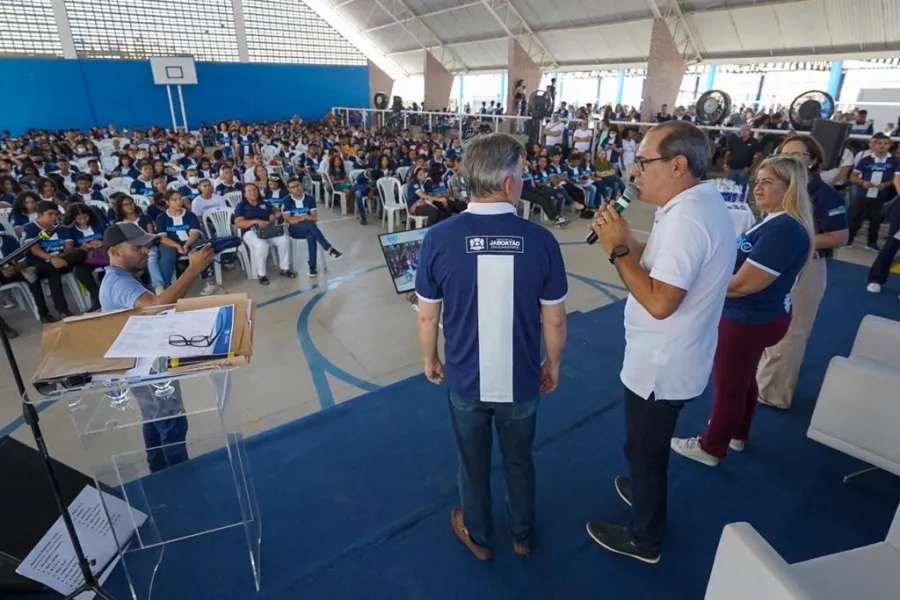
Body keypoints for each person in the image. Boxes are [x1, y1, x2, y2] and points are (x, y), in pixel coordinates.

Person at [584, 121, 735, 563]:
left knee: (645, 448)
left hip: (661, 363)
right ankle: (644, 488)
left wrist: (617, 250)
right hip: (676, 355)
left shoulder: (688, 218)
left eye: (644, 162)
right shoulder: (694, 206)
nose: (635, 173)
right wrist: (626, 237)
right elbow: (670, 259)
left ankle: (644, 539)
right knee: (644, 443)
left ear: (678, 164)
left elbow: (660, 301)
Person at [415, 133, 568, 560]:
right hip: (521, 381)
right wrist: (552, 364)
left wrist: (431, 358)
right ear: (507, 184)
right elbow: (554, 318)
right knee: (520, 460)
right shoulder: (541, 241)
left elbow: (428, 316)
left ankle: (479, 536)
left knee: (472, 462)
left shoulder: (438, 238)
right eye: (522, 174)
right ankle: (522, 534)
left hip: (465, 378)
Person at [671, 156, 815, 466]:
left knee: (728, 385)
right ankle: (738, 432)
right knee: (744, 378)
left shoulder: (785, 230)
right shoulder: (773, 221)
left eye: (768, 182)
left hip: (748, 318)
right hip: (757, 316)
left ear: (790, 189)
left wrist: (696, 286)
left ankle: (711, 447)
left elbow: (744, 285)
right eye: (758, 179)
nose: (758, 186)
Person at [100, 222, 214, 472]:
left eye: (146, 246)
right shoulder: (120, 282)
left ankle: (158, 469)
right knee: (171, 423)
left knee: (153, 419)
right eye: (136, 247)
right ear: (114, 251)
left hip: (140, 363)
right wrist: (192, 270)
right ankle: (178, 475)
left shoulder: (119, 278)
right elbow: (154, 307)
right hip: (148, 368)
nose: (145, 252)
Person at [753, 135, 849, 409]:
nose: (790, 161)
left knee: (792, 331)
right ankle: (761, 379)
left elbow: (840, 236)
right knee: (768, 322)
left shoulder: (824, 195)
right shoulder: (782, 189)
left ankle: (773, 393)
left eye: (797, 156)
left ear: (814, 161)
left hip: (806, 267)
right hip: (775, 265)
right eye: (785, 155)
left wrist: (792, 238)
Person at [24, 200, 101, 317]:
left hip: (63, 260)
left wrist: (61, 257)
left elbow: (68, 249)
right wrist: (51, 258)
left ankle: (94, 300)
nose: (54, 217)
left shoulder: (61, 226)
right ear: (39, 216)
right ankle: (63, 310)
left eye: (55, 214)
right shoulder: (30, 228)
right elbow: (34, 249)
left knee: (80, 253)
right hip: (42, 263)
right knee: (52, 271)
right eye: (50, 214)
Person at [233, 183, 294, 285]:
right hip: (250, 232)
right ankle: (261, 274)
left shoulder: (264, 203)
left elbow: (273, 214)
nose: (253, 192)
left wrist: (272, 217)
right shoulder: (241, 206)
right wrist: (255, 221)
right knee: (262, 244)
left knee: (284, 240)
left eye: (255, 190)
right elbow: (239, 223)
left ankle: (285, 268)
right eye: (250, 191)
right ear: (245, 194)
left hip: (267, 230)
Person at [847, 132, 898, 251]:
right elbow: (853, 177)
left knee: (876, 219)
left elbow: (895, 178)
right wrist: (862, 182)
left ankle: (872, 242)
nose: (882, 146)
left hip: (881, 194)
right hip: (863, 193)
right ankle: (848, 239)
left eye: (885, 143)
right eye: (879, 143)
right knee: (855, 217)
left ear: (890, 145)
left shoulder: (894, 161)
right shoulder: (866, 160)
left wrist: (886, 184)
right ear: (875, 145)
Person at [283, 177, 342, 277]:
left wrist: (299, 217)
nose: (296, 189)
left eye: (297, 185)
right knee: (310, 226)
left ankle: (312, 268)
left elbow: (314, 218)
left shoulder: (309, 199)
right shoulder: (287, 200)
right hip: (295, 230)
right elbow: (291, 221)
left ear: (301, 185)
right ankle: (328, 248)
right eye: (293, 187)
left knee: (311, 234)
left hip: (310, 228)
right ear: (289, 189)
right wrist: (306, 216)